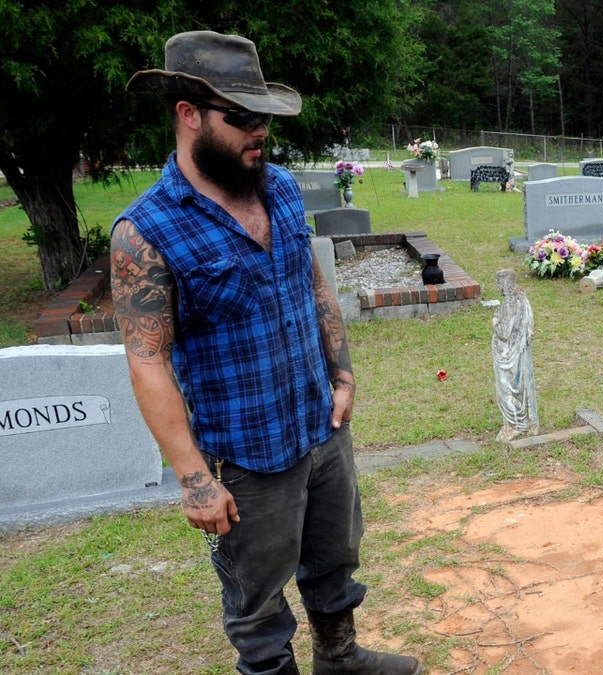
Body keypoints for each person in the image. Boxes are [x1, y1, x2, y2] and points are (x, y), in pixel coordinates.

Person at [111, 30, 422, 675]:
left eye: (265, 119)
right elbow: (147, 361)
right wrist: (195, 479)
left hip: (319, 426)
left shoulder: (276, 187)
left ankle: (339, 659)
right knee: (256, 605)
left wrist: (341, 372)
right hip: (244, 457)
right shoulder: (147, 230)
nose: (260, 134)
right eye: (243, 118)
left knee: (336, 560)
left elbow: (311, 283)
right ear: (188, 115)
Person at [491, 269, 539, 442]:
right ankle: (523, 423)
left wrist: (495, 321)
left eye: (499, 283)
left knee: (508, 388)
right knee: (519, 385)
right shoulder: (522, 299)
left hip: (508, 355)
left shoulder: (510, 303)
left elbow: (504, 332)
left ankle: (515, 425)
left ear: (504, 283)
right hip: (518, 353)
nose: (498, 287)